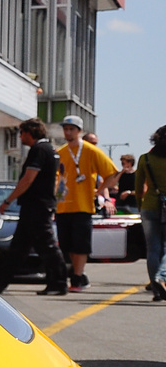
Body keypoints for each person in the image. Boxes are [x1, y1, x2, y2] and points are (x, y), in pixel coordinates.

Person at [0, 118, 68, 296]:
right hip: (35, 205)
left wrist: (8, 200)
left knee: (47, 246)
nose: (20, 137)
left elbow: (28, 179)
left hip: (37, 207)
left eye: (21, 133)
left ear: (29, 133)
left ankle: (59, 282)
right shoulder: (49, 149)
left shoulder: (39, 150)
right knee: (19, 247)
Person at [55, 114, 119, 291]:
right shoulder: (60, 152)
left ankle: (76, 277)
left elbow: (112, 173)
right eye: (66, 129)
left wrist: (100, 191)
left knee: (81, 244)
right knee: (66, 244)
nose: (68, 132)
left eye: (71, 129)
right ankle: (79, 275)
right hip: (63, 205)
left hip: (83, 205)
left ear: (79, 131)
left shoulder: (91, 151)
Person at [137, 127, 166, 301]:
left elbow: (138, 187)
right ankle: (161, 277)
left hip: (149, 207)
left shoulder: (145, 159)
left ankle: (156, 290)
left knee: (153, 249)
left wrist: (140, 207)